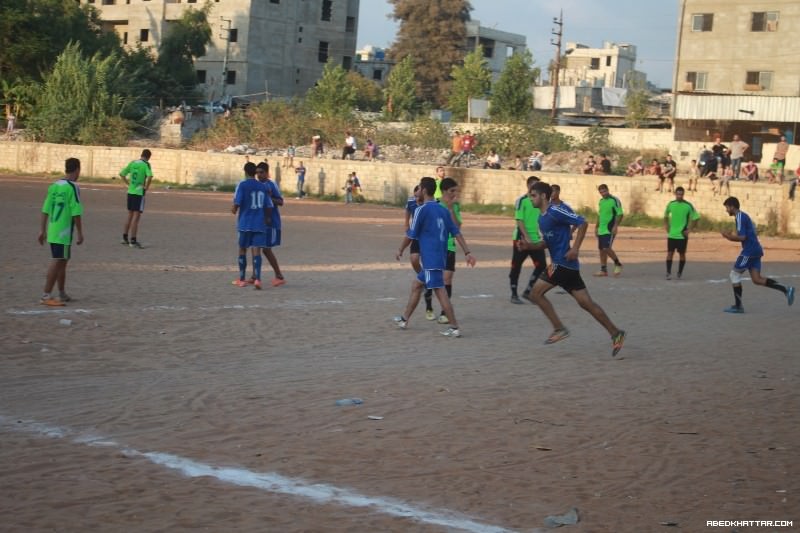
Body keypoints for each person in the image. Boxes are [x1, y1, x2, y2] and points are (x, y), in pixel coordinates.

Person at [518, 182, 626, 356]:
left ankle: (559, 328)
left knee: (535, 294)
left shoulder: (555, 211)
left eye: (533, 195)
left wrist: (575, 248)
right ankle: (615, 333)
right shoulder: (542, 218)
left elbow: (582, 223)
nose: (530, 199)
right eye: (530, 195)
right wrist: (529, 246)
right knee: (586, 303)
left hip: (561, 264)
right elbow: (547, 242)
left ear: (544, 196)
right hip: (567, 266)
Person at [394, 177, 476, 338]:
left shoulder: (421, 210)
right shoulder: (443, 210)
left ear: (424, 191)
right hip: (440, 257)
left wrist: (400, 249)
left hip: (431, 259)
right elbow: (456, 232)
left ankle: (454, 327)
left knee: (440, 292)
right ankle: (404, 319)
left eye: (420, 189)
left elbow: (411, 233)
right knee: (417, 285)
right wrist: (467, 252)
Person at [720, 196, 794, 313]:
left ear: (732, 207)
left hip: (749, 251)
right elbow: (746, 234)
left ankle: (738, 306)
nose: (726, 210)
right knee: (757, 279)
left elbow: (742, 237)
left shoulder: (739, 217)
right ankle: (786, 289)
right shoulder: (743, 216)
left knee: (734, 275)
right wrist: (732, 235)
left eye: (727, 207)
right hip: (756, 250)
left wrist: (727, 236)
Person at [38, 157, 84, 306]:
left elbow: (45, 209)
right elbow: (76, 211)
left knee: (63, 261)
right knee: (57, 260)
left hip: (52, 229)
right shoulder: (72, 187)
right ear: (77, 169)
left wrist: (42, 230)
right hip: (63, 231)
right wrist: (80, 232)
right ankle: (46, 295)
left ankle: (62, 293)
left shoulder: (54, 185)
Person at [232, 162, 272, 289]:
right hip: (259, 223)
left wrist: (233, 209)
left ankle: (242, 279)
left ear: (245, 172)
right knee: (256, 250)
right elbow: (268, 205)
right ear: (255, 172)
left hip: (245, 223)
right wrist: (266, 218)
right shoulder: (262, 186)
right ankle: (258, 280)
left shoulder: (242, 185)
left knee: (242, 249)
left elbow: (237, 203)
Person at [509, 176, 547, 304]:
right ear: (529, 186)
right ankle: (514, 293)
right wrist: (526, 236)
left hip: (535, 239)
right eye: (534, 185)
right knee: (516, 266)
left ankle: (528, 291)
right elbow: (519, 220)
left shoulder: (539, 201)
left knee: (541, 265)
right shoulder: (522, 200)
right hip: (521, 238)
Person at [403, 184, 434, 319]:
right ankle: (425, 280)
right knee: (414, 259)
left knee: (428, 263)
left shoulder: (431, 205)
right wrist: (406, 224)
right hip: (416, 235)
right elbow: (407, 213)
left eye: (419, 197)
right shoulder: (411, 202)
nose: (417, 200)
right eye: (415, 197)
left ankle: (427, 285)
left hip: (427, 237)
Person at [435, 177, 463, 324]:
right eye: (452, 191)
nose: (454, 194)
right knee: (432, 280)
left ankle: (444, 312)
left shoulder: (455, 206)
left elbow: (457, 226)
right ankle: (429, 307)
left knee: (447, 278)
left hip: (449, 246)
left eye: (455, 191)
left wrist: (452, 209)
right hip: (435, 247)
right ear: (444, 191)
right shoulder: (435, 205)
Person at [256, 162, 286, 287]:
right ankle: (255, 276)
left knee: (266, 250)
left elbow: (281, 201)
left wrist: (269, 198)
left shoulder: (271, 185)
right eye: (257, 172)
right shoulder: (256, 185)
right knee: (255, 247)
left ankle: (279, 275)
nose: (259, 175)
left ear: (267, 173)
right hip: (258, 221)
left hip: (271, 221)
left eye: (261, 172)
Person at [119, 149, 153, 249]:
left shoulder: (133, 163)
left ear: (141, 155)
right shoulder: (146, 165)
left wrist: (128, 184)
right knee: (136, 217)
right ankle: (133, 241)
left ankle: (124, 238)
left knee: (129, 215)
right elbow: (150, 176)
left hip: (130, 192)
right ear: (149, 157)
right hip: (139, 193)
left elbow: (122, 174)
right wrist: (147, 187)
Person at [663, 187, 700, 280]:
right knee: (670, 253)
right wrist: (666, 225)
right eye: (678, 194)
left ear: (683, 195)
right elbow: (665, 215)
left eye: (681, 194)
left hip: (682, 235)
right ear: (675, 194)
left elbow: (696, 217)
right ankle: (668, 272)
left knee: (682, 254)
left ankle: (680, 272)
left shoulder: (688, 205)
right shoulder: (671, 204)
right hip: (672, 234)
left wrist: (689, 229)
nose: (679, 196)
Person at [594, 184, 624, 277]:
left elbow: (620, 214)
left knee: (606, 248)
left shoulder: (614, 200)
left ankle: (617, 263)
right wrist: (596, 226)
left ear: (608, 190)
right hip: (601, 229)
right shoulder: (601, 201)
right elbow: (600, 214)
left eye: (604, 191)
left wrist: (615, 226)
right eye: (601, 192)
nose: (603, 193)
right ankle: (603, 270)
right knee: (601, 250)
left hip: (610, 228)